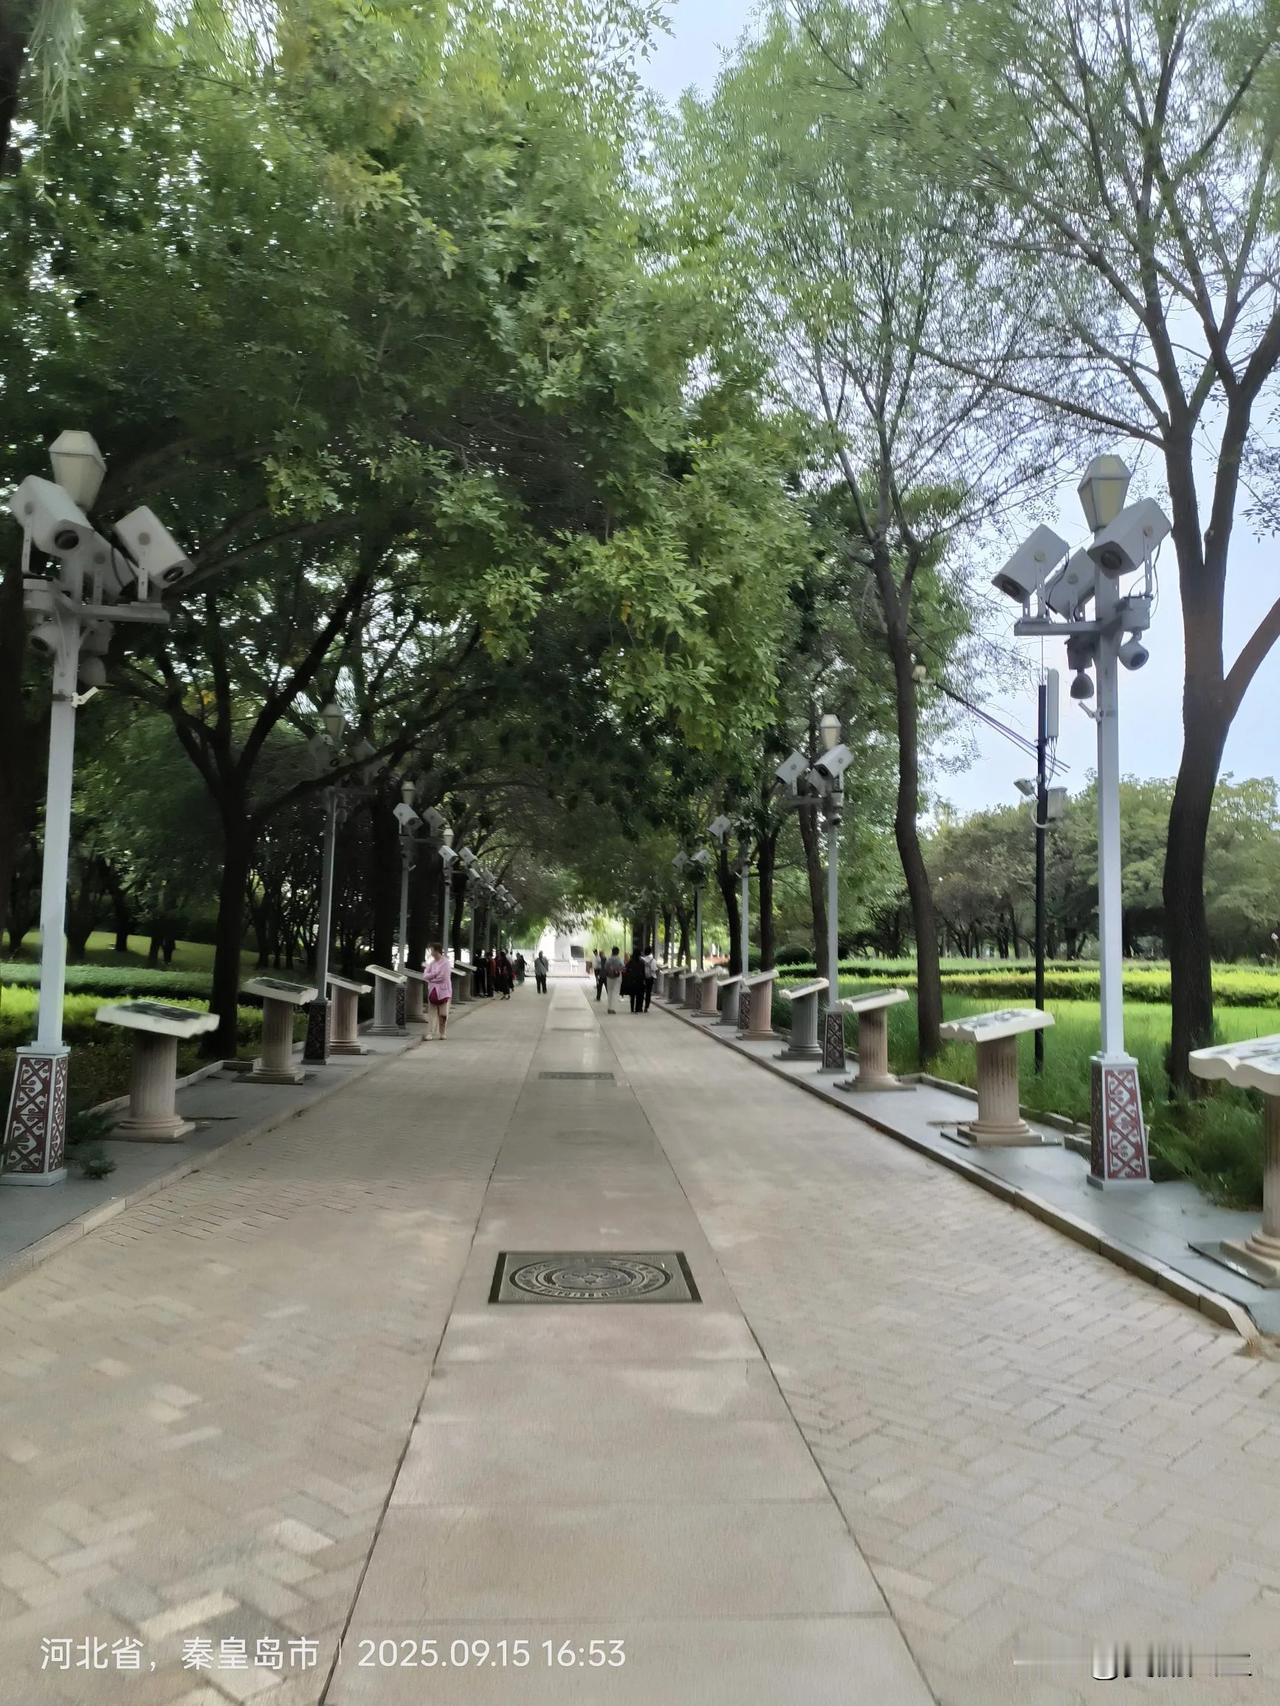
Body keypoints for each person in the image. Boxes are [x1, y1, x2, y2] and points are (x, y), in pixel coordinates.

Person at [424, 942, 452, 1040]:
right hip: (432, 990)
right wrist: (434, 974)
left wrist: (432, 978)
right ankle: (430, 1033)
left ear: (437, 951)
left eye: (432, 950)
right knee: (431, 1013)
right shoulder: (431, 963)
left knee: (443, 1014)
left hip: (444, 991)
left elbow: (443, 977)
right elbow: (425, 975)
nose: (431, 953)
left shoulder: (446, 963)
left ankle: (442, 1032)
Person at [621, 948, 646, 1014]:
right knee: (638, 995)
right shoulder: (642, 962)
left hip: (632, 980)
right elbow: (643, 972)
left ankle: (632, 1009)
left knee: (632, 996)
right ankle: (637, 1009)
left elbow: (626, 970)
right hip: (639, 980)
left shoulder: (630, 962)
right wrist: (644, 980)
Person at [604, 945, 625, 1013]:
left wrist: (610, 970)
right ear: (618, 952)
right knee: (615, 992)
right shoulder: (619, 959)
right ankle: (612, 1008)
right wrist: (617, 969)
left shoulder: (608, 959)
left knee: (609, 992)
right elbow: (623, 968)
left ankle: (609, 1007)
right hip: (617, 977)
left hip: (609, 977)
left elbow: (605, 967)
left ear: (612, 952)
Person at [641, 943, 658, 1012]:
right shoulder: (653, 960)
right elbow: (654, 969)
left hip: (643, 977)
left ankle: (640, 1006)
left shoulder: (642, 960)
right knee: (648, 992)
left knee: (641, 992)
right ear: (650, 952)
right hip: (650, 978)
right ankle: (646, 1007)